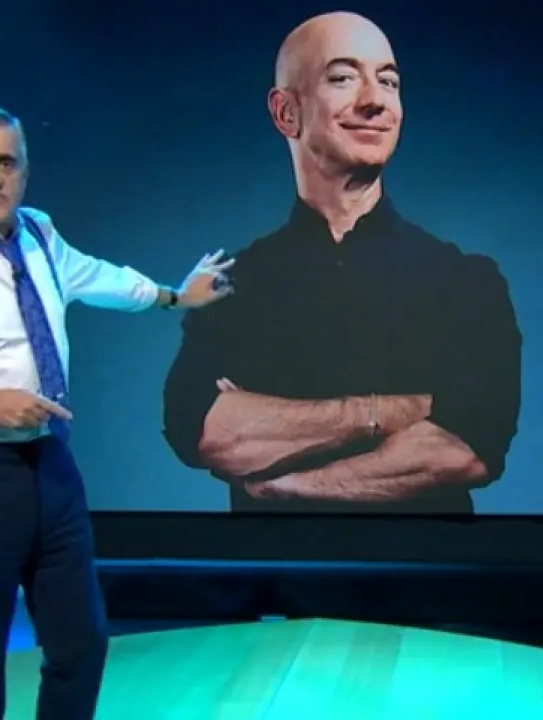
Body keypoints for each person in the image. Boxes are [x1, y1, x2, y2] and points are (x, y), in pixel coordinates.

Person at [0, 104, 232, 720]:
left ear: (24, 171)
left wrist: (173, 297)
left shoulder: (37, 233)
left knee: (81, 642)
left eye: (5, 162)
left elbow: (97, 278)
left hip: (50, 466)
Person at [161, 12, 522, 515]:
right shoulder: (230, 285)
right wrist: (393, 411)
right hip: (274, 568)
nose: (375, 101)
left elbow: (469, 448)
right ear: (286, 112)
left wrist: (288, 484)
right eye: (343, 78)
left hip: (424, 567)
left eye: (389, 81)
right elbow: (201, 433)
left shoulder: (466, 281)